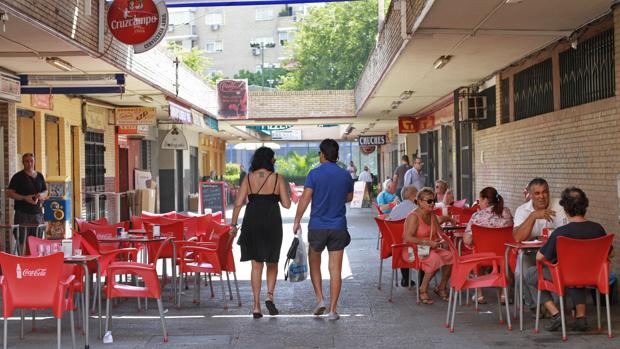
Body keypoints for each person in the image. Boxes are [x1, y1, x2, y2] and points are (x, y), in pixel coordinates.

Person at [524, 187, 611, 332]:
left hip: (565, 276)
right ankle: (581, 318)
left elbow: (540, 257)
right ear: (585, 206)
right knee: (577, 275)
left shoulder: (560, 233)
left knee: (531, 274)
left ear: (565, 208)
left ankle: (556, 314)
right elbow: (610, 254)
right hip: (594, 276)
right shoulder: (598, 229)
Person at [293, 139, 353, 321]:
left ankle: (320, 299)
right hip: (338, 227)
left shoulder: (314, 174)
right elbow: (349, 197)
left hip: (317, 227)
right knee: (336, 269)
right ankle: (333, 310)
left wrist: (297, 220)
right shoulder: (345, 175)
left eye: (320, 153)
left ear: (323, 154)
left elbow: (305, 198)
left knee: (314, 263)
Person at [230, 147, 291, 318]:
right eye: (274, 159)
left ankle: (256, 306)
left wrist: (233, 225)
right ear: (270, 160)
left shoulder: (248, 178)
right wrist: (281, 194)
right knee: (272, 261)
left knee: (256, 264)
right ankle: (269, 296)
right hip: (272, 222)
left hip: (252, 221)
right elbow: (287, 205)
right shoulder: (278, 178)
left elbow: (238, 203)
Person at [513, 177, 568, 313]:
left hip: (555, 255)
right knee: (521, 273)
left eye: (545, 192)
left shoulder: (560, 206)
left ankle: (553, 308)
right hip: (530, 254)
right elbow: (518, 237)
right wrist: (533, 216)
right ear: (530, 195)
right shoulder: (522, 210)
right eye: (537, 193)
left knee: (556, 274)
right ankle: (535, 307)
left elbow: (567, 233)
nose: (541, 196)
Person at [403, 187, 454, 304]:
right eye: (429, 201)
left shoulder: (431, 215)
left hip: (430, 247)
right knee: (435, 259)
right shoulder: (414, 216)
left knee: (450, 256)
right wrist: (427, 242)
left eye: (434, 201)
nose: (432, 204)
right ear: (420, 202)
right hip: (413, 249)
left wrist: (442, 240)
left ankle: (441, 287)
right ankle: (423, 289)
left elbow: (440, 231)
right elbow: (407, 237)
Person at [463, 186, 513, 304]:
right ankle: (503, 295)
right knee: (504, 258)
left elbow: (467, 240)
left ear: (485, 200)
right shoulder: (506, 212)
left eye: (479, 200)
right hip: (504, 256)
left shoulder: (477, 216)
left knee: (475, 252)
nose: (478, 203)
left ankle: (480, 294)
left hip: (483, 257)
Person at [7, 153, 48, 242]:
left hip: (37, 214)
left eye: (31, 161)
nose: (29, 164)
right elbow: (9, 193)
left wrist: (41, 195)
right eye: (26, 161)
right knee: (22, 239)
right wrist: (24, 198)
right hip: (22, 214)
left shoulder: (40, 175)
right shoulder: (17, 176)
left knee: (37, 240)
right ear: (23, 162)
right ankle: (22, 256)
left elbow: (46, 191)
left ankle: (36, 256)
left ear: (34, 162)